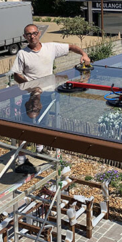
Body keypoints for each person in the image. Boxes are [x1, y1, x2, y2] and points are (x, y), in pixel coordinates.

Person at [10, 23, 91, 174]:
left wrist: (84, 54)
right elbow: (16, 75)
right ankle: (21, 159)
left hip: (47, 92)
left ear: (39, 33)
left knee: (44, 121)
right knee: (25, 126)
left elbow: (72, 47)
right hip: (30, 95)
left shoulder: (51, 47)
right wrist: (30, 87)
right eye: (28, 34)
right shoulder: (22, 54)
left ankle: (40, 149)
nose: (32, 37)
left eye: (34, 33)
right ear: (24, 37)